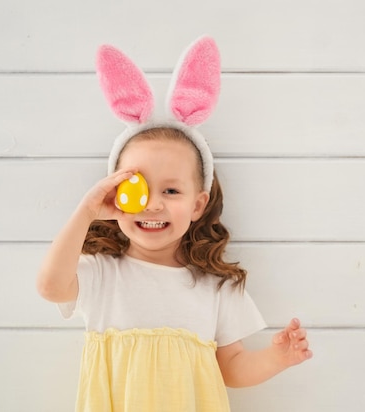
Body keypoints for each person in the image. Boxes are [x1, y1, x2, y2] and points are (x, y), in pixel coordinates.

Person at [36, 36, 312, 411]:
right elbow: (51, 287)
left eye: (170, 191)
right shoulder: (102, 274)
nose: (152, 205)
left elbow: (231, 368)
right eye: (137, 190)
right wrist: (86, 211)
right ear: (114, 196)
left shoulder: (216, 286)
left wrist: (276, 358)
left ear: (199, 205)